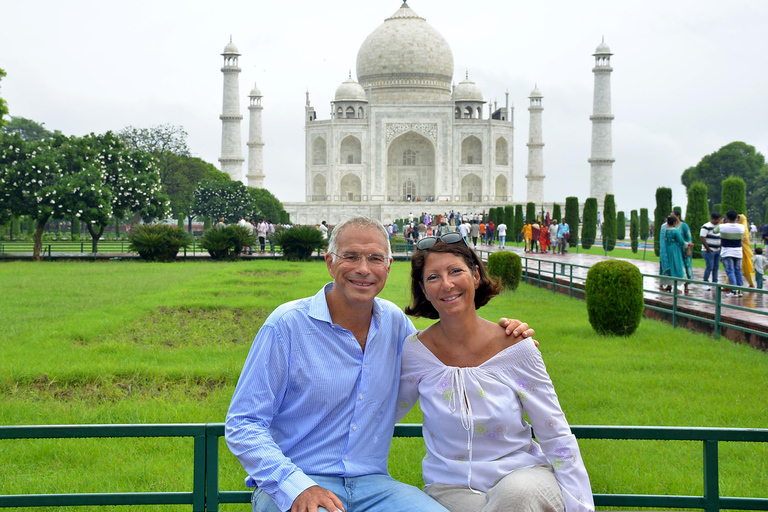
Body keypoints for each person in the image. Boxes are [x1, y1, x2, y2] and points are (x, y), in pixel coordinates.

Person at [225, 216, 533, 512]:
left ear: (388, 267)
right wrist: (295, 485)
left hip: (372, 484)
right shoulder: (287, 326)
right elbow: (243, 423)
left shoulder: (394, 325)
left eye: (374, 258)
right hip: (300, 480)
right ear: (330, 262)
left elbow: (449, 362)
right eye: (350, 257)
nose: (363, 269)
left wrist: (503, 340)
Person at [398, 234, 594, 512]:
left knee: (515, 498)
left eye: (455, 271)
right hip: (451, 487)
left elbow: (555, 433)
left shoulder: (515, 347)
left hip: (523, 478)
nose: (447, 284)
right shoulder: (417, 353)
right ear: (424, 289)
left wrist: (581, 506)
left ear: (476, 276)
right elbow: (381, 411)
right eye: (433, 277)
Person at [715, 210, 745, 297]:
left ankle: (734, 291)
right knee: (738, 271)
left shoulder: (722, 227)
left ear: (727, 217)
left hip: (727, 251)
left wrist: (720, 223)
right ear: (736, 218)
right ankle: (740, 290)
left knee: (730, 271)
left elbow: (714, 231)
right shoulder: (741, 227)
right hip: (738, 251)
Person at [661, 216, 687, 292]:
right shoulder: (675, 231)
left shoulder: (665, 230)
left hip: (668, 249)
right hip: (675, 250)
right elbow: (681, 241)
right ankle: (676, 288)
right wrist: (687, 244)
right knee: (677, 266)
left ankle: (670, 285)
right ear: (675, 222)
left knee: (671, 267)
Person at [699, 213, 721, 291]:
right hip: (709, 250)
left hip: (717, 250)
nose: (717, 221)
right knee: (709, 267)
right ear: (712, 219)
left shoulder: (718, 227)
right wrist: (707, 248)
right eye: (716, 220)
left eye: (719, 219)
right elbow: (702, 237)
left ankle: (715, 283)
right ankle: (705, 282)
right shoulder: (706, 226)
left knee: (716, 267)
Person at [737, 214, 755, 288]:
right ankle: (751, 284)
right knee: (742, 268)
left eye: (738, 219)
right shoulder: (744, 228)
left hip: (742, 251)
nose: (737, 221)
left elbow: (743, 239)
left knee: (736, 268)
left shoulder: (743, 228)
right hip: (742, 250)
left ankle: (729, 284)